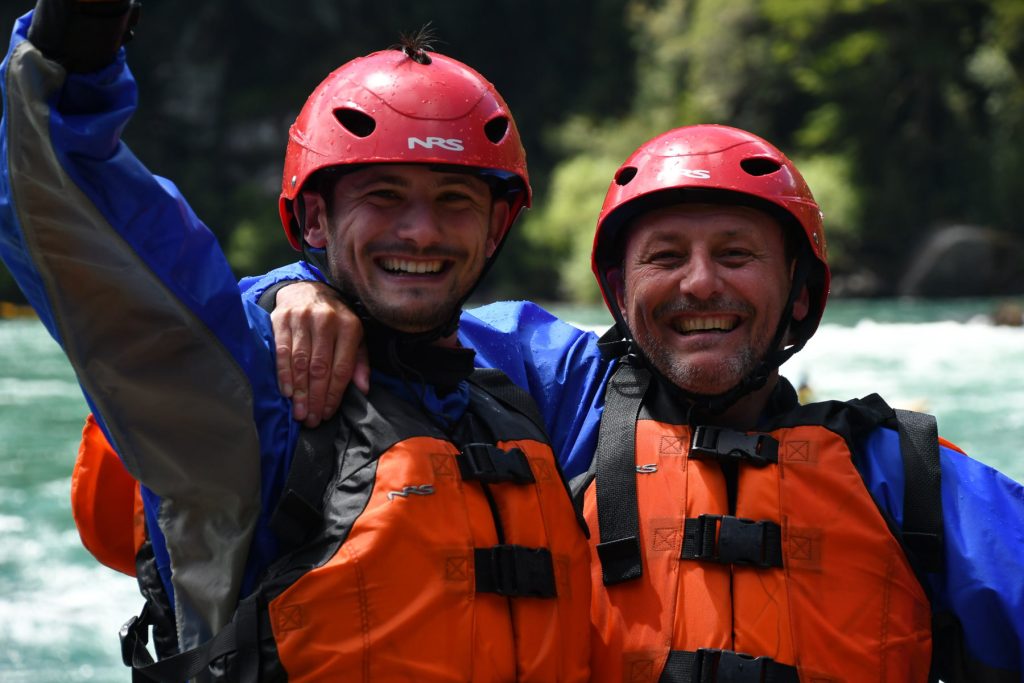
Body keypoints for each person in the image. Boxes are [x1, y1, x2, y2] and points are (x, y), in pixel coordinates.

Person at [250, 124, 1024, 681]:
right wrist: (295, 287)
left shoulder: (901, 475)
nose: (699, 283)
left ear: (798, 294)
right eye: (664, 257)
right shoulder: (562, 399)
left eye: (736, 253)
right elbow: (408, 307)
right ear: (619, 294)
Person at [0, 2, 593, 681]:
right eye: (385, 194)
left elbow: (684, 353)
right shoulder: (250, 382)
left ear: (495, 228)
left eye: (455, 199)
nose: (422, 231)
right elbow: (75, 212)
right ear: (315, 216)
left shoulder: (535, 373)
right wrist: (76, 42)